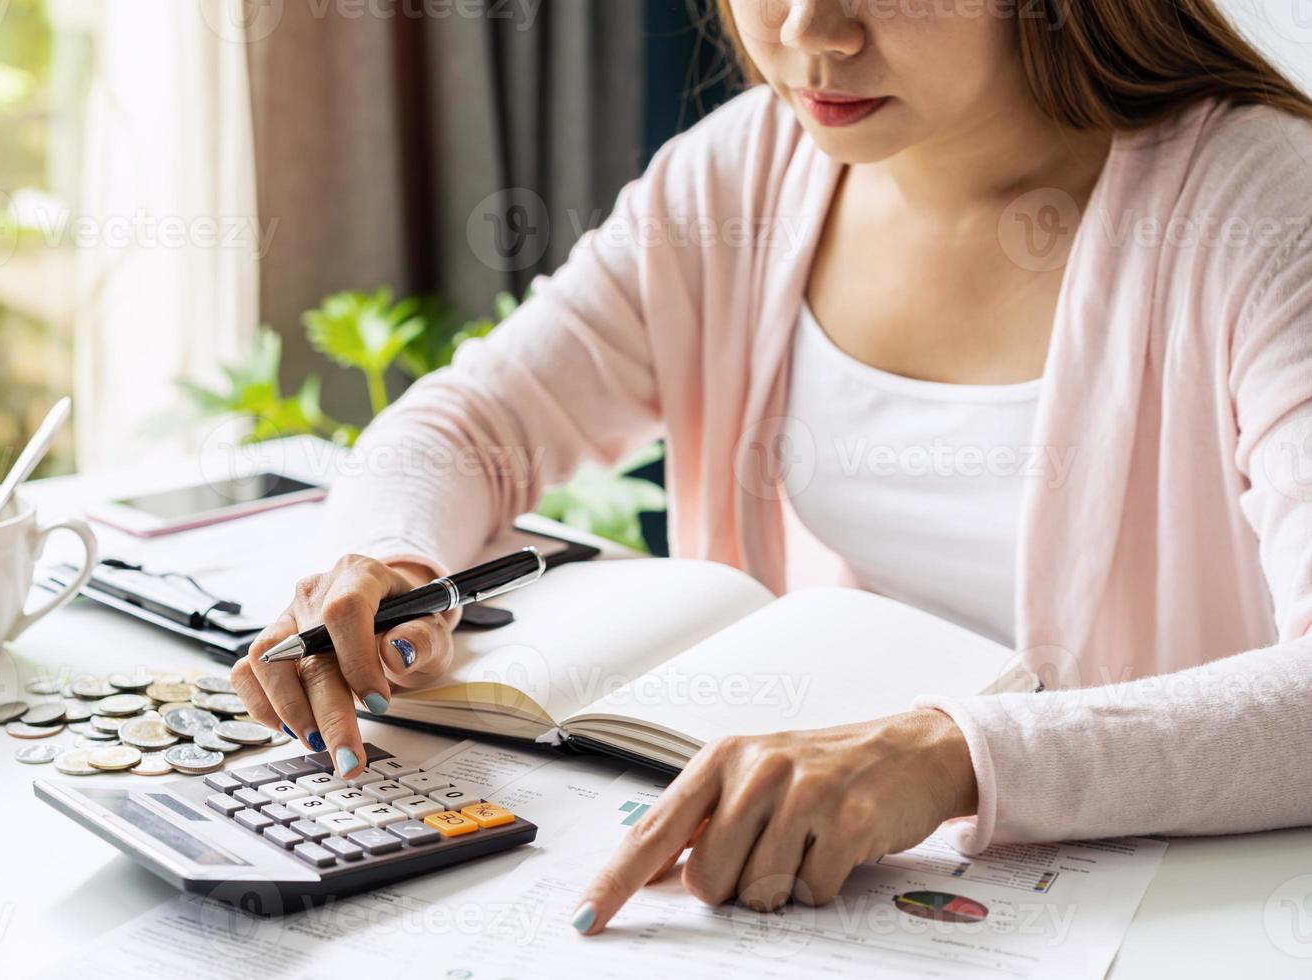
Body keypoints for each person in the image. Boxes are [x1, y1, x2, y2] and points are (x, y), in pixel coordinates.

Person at [230, 0, 1312, 935]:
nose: (808, 35)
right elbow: (464, 425)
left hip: (1173, 915)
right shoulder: (742, 176)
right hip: (821, 900)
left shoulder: (1261, 210)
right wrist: (375, 558)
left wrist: (958, 754)